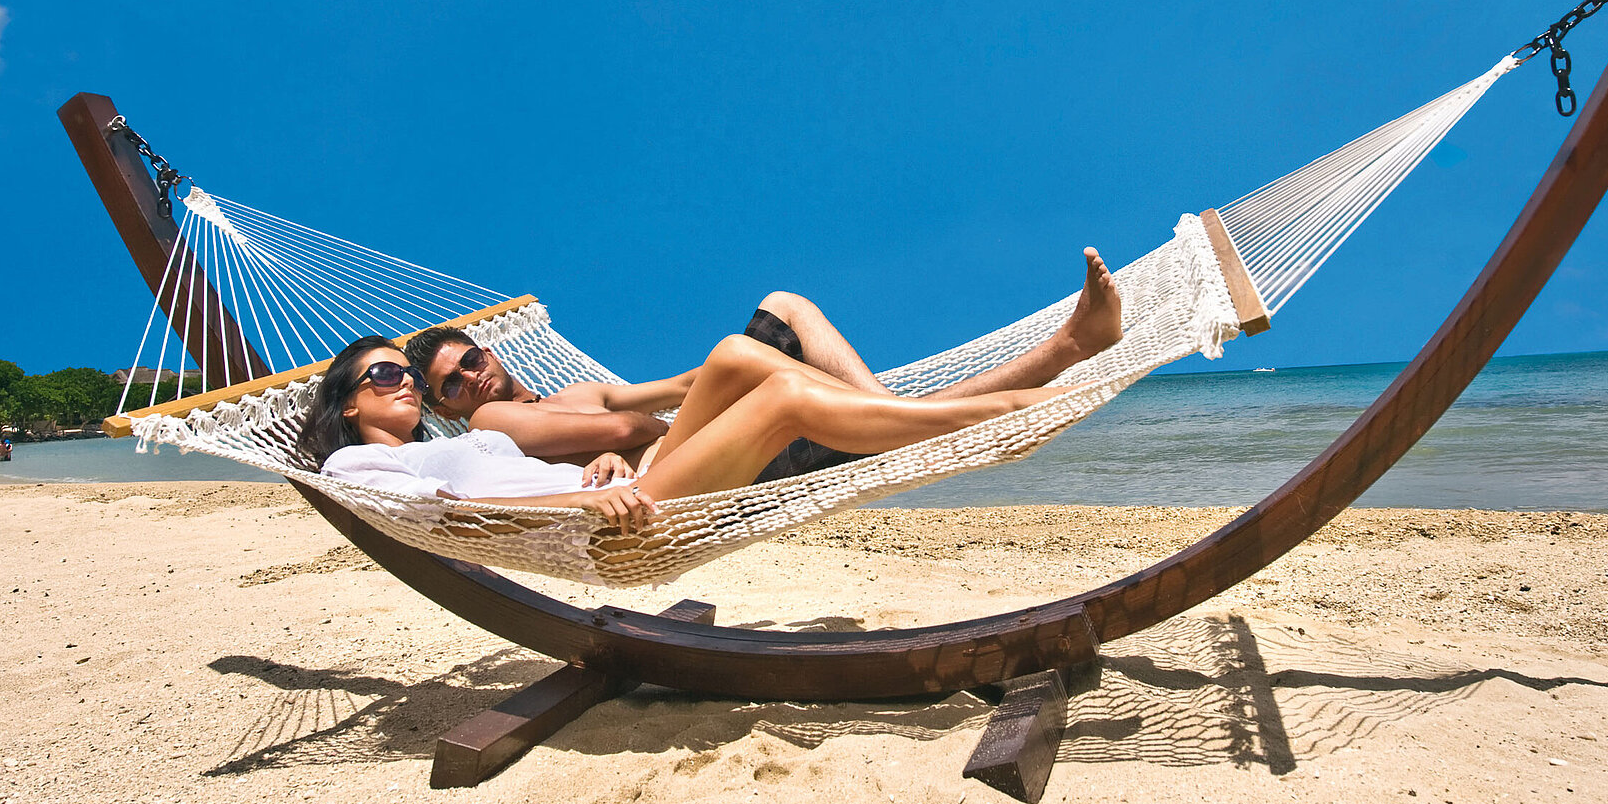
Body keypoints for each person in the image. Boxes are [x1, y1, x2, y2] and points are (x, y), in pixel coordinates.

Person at [405, 248, 1125, 482]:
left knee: (781, 309)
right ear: (444, 409)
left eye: (467, 360)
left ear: (487, 348)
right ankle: (1057, 355)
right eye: (451, 386)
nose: (470, 379)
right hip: (681, 479)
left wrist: (757, 361)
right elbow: (626, 431)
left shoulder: (574, 390)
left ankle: (1070, 346)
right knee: (736, 354)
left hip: (702, 440)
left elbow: (680, 387)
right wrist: (627, 438)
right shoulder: (492, 422)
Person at [305, 334, 1081, 533]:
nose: (404, 381)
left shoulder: (441, 444)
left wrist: (602, 462)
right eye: (386, 374)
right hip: (613, 520)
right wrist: (582, 501)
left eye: (405, 373)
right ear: (347, 407)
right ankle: (988, 418)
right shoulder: (354, 464)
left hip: (624, 483)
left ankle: (947, 416)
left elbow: (647, 412)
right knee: (783, 395)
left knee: (742, 355)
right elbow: (459, 514)